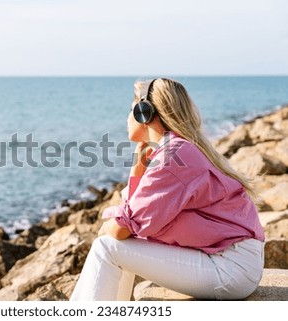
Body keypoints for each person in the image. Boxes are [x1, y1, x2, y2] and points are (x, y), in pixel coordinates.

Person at [70, 78, 265, 301]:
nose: (126, 117)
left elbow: (122, 228)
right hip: (231, 261)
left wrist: (108, 226)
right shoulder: (177, 148)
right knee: (120, 244)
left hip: (229, 269)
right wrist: (137, 169)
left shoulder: (173, 156)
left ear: (145, 112)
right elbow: (136, 220)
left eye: (130, 108)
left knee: (106, 247)